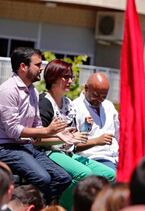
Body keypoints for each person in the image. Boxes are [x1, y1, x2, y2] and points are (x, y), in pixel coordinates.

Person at [37, 59, 116, 210]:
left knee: (109, 175)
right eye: (66, 77)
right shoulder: (45, 102)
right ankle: (64, 206)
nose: (70, 81)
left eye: (71, 77)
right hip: (49, 151)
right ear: (53, 77)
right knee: (84, 174)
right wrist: (62, 138)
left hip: (67, 152)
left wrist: (85, 128)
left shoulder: (67, 103)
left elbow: (74, 136)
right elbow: (37, 140)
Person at [0, 47, 71, 204]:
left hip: (26, 146)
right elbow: (13, 131)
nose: (41, 69)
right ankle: (20, 205)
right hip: (7, 147)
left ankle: (38, 206)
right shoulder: (8, 90)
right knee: (43, 178)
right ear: (23, 67)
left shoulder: (32, 90)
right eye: (38, 65)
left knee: (63, 178)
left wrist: (58, 133)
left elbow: (37, 125)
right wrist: (46, 130)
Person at [72, 73, 119, 170]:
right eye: (96, 95)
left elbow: (119, 135)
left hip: (115, 157)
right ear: (86, 88)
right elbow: (73, 145)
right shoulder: (75, 107)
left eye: (103, 97)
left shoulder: (109, 106)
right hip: (93, 158)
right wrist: (97, 141)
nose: (99, 100)